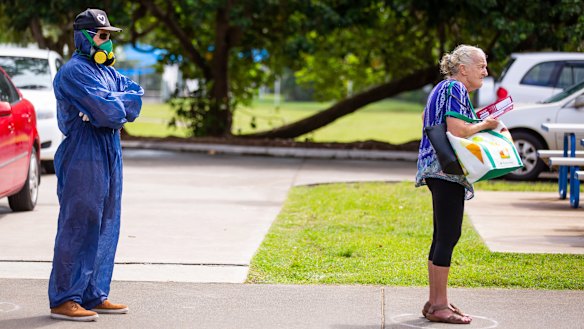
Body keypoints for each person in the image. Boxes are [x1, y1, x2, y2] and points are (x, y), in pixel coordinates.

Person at [48, 8, 144, 322]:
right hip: (83, 151)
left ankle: (93, 293)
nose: (107, 42)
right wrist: (112, 109)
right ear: (86, 37)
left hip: (109, 149)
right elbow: (108, 113)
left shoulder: (106, 72)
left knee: (107, 222)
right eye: (102, 36)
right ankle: (65, 298)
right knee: (80, 222)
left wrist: (112, 107)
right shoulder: (74, 71)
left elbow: (135, 98)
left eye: (109, 37)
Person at [415, 45, 498, 324]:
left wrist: (478, 121)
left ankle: (436, 301)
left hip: (434, 168)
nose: (485, 71)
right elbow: (457, 129)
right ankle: (439, 306)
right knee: (449, 234)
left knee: (443, 235)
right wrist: (485, 125)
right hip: (445, 170)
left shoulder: (444, 87)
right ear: (463, 69)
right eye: (481, 66)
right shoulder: (456, 89)